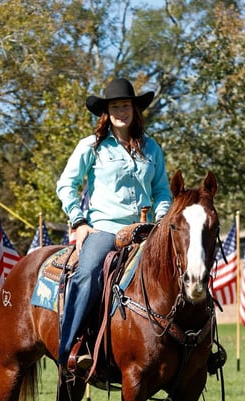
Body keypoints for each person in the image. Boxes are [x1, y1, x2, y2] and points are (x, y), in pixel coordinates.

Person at [55, 77, 172, 371]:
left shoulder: (152, 149)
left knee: (182, 268)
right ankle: (71, 344)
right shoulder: (92, 147)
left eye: (126, 105)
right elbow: (66, 185)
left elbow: (161, 191)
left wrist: (162, 219)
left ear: (135, 110)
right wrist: (79, 221)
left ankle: (194, 344)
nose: (121, 111)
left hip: (146, 231)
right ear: (106, 113)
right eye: (115, 106)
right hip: (105, 229)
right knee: (89, 271)